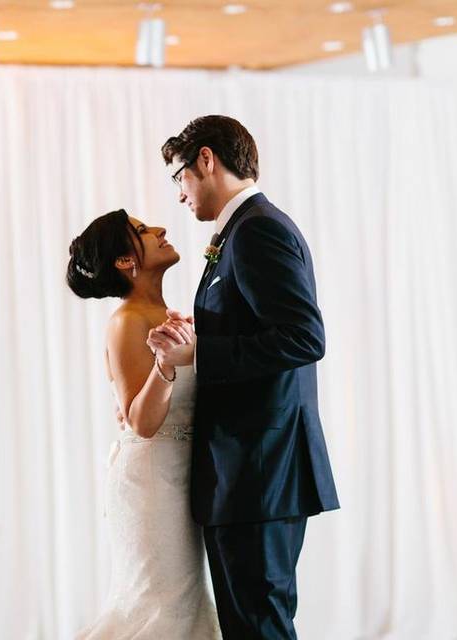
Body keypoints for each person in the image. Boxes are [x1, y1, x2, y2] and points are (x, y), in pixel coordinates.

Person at [150, 115, 340, 639]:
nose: (179, 194)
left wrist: (200, 353)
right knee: (247, 626)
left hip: (261, 472)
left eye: (178, 177)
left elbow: (305, 338)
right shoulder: (240, 230)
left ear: (206, 160)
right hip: (247, 474)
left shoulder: (257, 229)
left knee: (259, 626)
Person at [67, 209, 220, 639]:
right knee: (162, 608)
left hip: (181, 476)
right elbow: (141, 421)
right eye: (141, 231)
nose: (160, 230)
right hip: (151, 485)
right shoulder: (126, 322)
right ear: (123, 261)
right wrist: (166, 365)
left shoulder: (169, 316)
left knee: (183, 605)